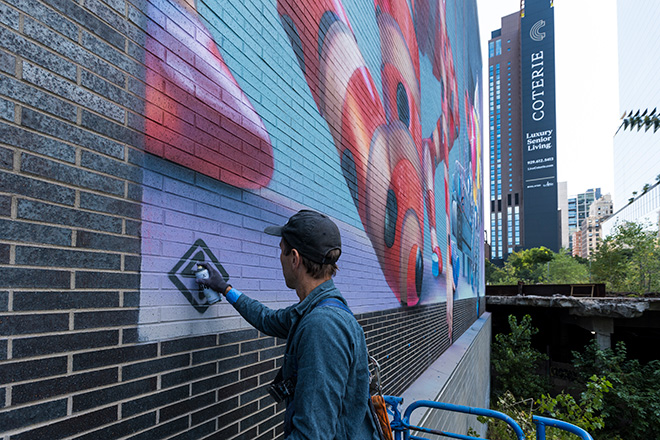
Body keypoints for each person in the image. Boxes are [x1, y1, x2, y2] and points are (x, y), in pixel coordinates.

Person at [197, 210, 378, 439]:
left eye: (281, 251)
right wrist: (226, 289)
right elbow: (267, 319)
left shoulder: (322, 326)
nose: (279, 258)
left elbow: (312, 435)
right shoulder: (316, 309)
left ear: (295, 258)